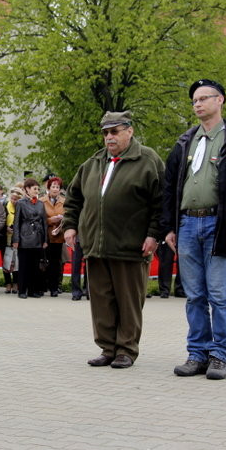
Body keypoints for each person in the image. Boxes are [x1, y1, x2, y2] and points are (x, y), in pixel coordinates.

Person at [161, 79, 226, 380]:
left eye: (204, 98)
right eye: (194, 100)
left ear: (221, 100)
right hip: (188, 222)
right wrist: (170, 226)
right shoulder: (184, 142)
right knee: (194, 295)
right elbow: (169, 186)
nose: (198, 104)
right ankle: (197, 354)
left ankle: (219, 355)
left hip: (219, 224)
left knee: (220, 295)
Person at [63, 110, 163, 368]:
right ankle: (107, 348)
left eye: (115, 131)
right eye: (105, 132)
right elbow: (74, 198)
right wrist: (71, 226)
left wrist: (154, 234)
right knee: (101, 300)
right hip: (96, 245)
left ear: (129, 131)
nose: (109, 137)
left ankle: (126, 350)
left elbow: (161, 203)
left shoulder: (147, 160)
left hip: (131, 246)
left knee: (129, 302)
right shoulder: (93, 163)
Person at [13, 178, 49, 299]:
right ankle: (22, 290)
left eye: (38, 189)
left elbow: (44, 222)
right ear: (27, 189)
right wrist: (16, 239)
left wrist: (45, 240)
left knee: (35, 266)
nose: (36, 191)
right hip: (25, 236)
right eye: (34, 189)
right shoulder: (20, 203)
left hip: (38, 238)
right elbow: (16, 222)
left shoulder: (40, 203)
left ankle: (33, 290)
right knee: (24, 266)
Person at [2, 187, 23, 293]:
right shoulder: (4, 205)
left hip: (18, 239)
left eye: (16, 199)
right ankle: (8, 283)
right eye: (12, 198)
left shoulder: (23, 207)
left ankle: (15, 283)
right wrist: (5, 228)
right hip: (5, 238)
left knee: (16, 262)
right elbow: (0, 219)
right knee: (6, 262)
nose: (14, 201)